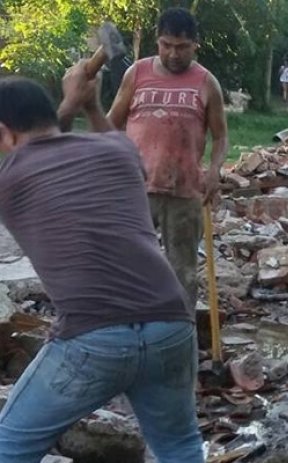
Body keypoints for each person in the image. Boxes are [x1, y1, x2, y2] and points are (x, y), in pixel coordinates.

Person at [0, 68, 202, 462]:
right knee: (179, 446)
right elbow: (99, 137)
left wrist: (72, 104)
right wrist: (88, 105)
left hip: (93, 340)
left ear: (4, 133)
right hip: (171, 325)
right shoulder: (119, 152)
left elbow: (36, 150)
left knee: (9, 445)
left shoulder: (9, 178)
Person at [108, 7, 228, 306]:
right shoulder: (136, 74)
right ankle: (134, 327)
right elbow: (111, 123)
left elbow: (221, 136)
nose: (174, 54)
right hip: (136, 189)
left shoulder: (206, 82)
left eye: (182, 47)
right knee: (130, 265)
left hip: (184, 192)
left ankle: (180, 333)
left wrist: (214, 170)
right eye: (167, 45)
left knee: (182, 272)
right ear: (157, 42)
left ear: (195, 45)